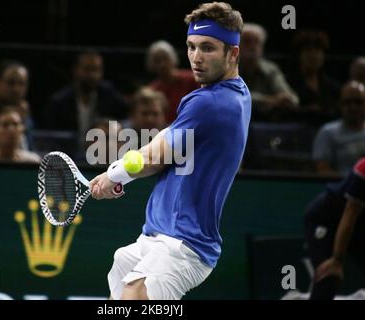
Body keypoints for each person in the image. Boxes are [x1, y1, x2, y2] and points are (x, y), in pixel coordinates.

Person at [89, 2, 251, 300]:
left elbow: (154, 157)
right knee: (122, 265)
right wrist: (119, 175)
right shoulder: (237, 93)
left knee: (134, 296)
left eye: (207, 48)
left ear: (233, 53)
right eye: (190, 47)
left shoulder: (208, 103)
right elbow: (165, 143)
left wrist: (115, 174)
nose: (196, 58)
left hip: (183, 245)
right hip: (156, 236)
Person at [304, 156, 365, 300]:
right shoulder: (363, 169)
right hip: (325, 219)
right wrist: (337, 259)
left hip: (357, 225)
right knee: (329, 276)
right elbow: (350, 214)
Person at [239, 23, 298, 122]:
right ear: (237, 45)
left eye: (256, 42)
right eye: (247, 42)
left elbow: (292, 98)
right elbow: (235, 97)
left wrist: (287, 98)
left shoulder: (271, 69)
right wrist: (269, 101)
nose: (252, 47)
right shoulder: (228, 68)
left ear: (262, 47)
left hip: (266, 122)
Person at [313, 81, 365, 176]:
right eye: (347, 102)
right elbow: (323, 170)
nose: (353, 107)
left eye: (358, 102)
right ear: (340, 105)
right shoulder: (327, 132)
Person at [147, 40, 198, 124]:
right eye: (157, 61)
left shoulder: (192, 79)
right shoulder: (152, 89)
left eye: (165, 58)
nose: (162, 64)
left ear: (173, 59)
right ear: (152, 64)